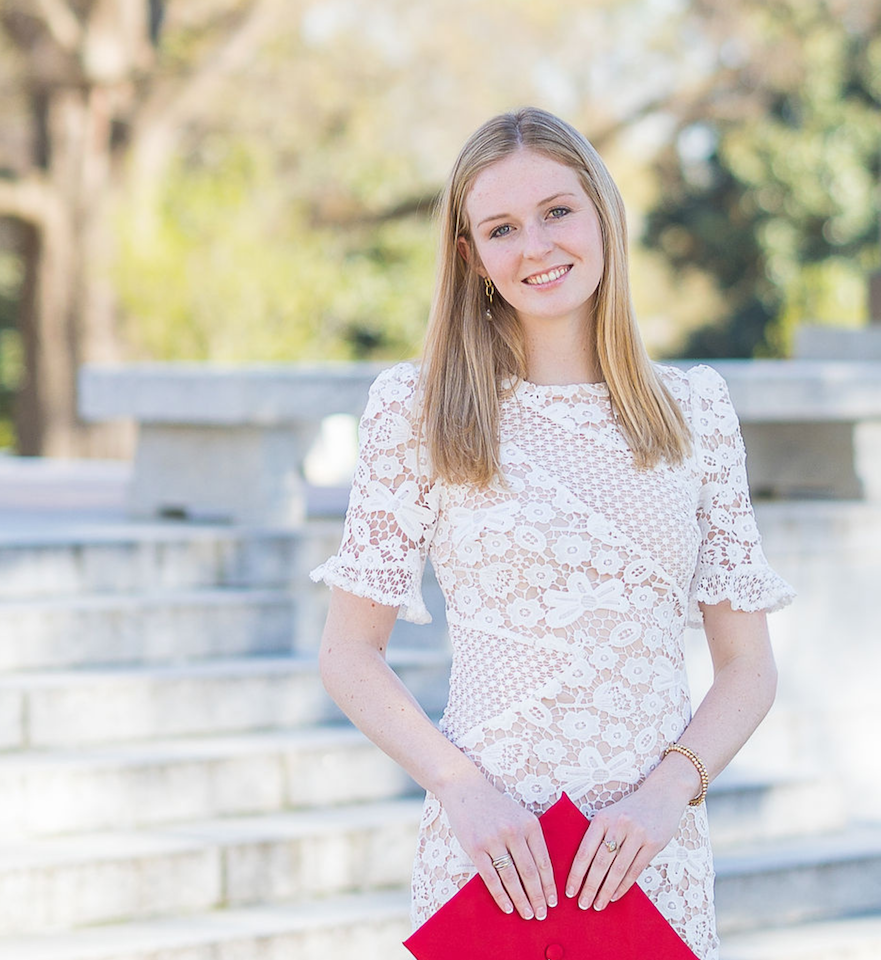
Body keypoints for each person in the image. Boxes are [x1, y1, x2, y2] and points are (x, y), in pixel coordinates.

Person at [312, 106, 795, 960]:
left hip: (650, 856)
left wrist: (666, 796)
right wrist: (461, 789)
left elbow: (749, 666)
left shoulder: (698, 413)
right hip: (491, 853)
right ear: (471, 255)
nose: (535, 246)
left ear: (603, 213)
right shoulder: (415, 410)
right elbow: (349, 653)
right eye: (501, 227)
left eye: (558, 212)